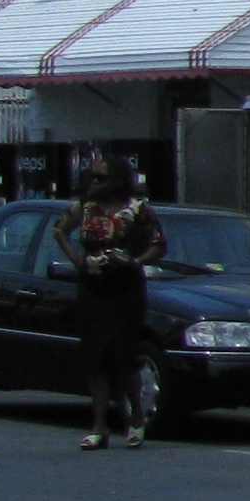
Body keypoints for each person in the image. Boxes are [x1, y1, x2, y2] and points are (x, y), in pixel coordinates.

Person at [55, 167, 166, 450]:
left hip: (125, 288)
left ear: (118, 181)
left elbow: (158, 244)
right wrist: (78, 260)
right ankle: (99, 426)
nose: (94, 182)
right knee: (96, 357)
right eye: (92, 177)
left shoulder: (138, 209)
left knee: (124, 355)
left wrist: (135, 261)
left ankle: (136, 416)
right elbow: (60, 230)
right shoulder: (84, 207)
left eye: (101, 178)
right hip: (93, 287)